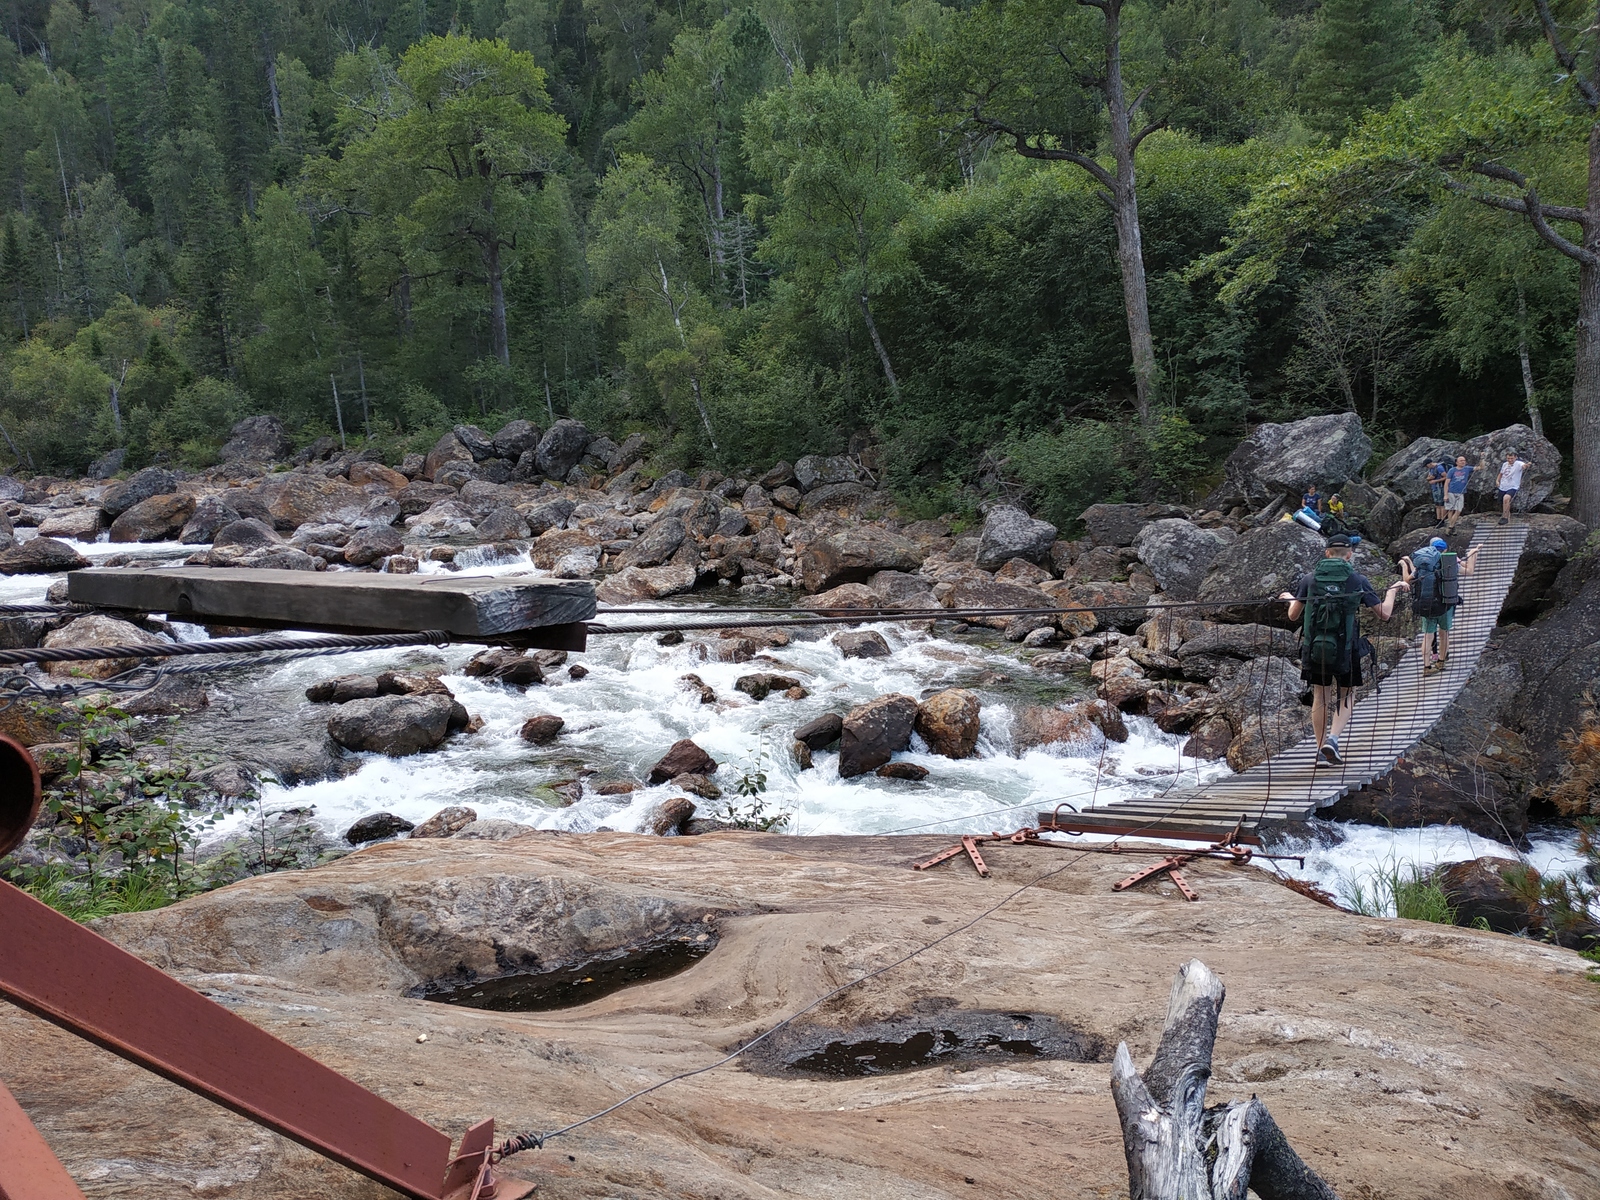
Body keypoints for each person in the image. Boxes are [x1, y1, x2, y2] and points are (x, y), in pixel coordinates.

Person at [1278, 534, 1408, 765]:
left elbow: (1293, 615)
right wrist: (1394, 590)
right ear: (1349, 555)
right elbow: (1384, 614)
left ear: (1327, 553)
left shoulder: (1310, 579)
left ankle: (1320, 752)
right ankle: (1333, 740)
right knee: (1347, 694)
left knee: (1320, 695)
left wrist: (1290, 598)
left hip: (1315, 647)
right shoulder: (1357, 580)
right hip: (1346, 648)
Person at [1400, 539, 1480, 672]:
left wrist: (1405, 564)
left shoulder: (1423, 565)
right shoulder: (1449, 562)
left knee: (1428, 636)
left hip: (1426, 605)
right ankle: (1441, 662)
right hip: (1445, 605)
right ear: (1444, 551)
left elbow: (1407, 580)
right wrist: (1473, 553)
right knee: (1444, 633)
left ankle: (1426, 667)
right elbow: (1469, 571)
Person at [1496, 450, 1530, 525]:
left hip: (1513, 486)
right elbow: (1501, 473)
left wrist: (1527, 465)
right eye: (1508, 458)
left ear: (1515, 458)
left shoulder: (1518, 463)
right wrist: (1497, 480)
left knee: (1506, 498)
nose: (1510, 460)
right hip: (1503, 485)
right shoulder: (1505, 464)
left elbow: (1524, 466)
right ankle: (1508, 515)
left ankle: (1505, 517)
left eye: (1512, 458)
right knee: (1503, 502)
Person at [1442, 455, 1474, 532]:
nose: (1463, 462)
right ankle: (1451, 527)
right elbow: (1446, 483)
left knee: (1459, 509)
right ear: (1456, 462)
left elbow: (1481, 467)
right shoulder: (1452, 470)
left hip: (1460, 492)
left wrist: (1482, 458)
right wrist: (1445, 494)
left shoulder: (1467, 469)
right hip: (1451, 492)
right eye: (1461, 461)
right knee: (1451, 510)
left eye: (1464, 460)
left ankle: (1450, 526)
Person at [1425, 461, 1448, 526]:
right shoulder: (1431, 469)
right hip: (1434, 488)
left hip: (1440, 487)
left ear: (1430, 463)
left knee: (1441, 504)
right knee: (1437, 504)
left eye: (1427, 466)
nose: (1427, 467)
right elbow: (1428, 477)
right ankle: (1438, 519)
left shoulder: (1439, 468)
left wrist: (1435, 480)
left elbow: (1446, 476)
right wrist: (1429, 479)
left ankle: (1442, 520)